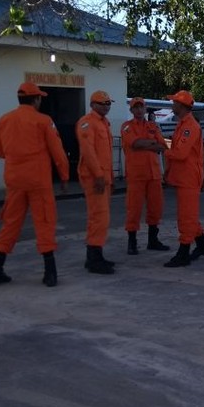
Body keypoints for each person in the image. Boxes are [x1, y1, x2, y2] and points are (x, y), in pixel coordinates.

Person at [0, 82, 70, 287]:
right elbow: (57, 152)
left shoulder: (4, 120)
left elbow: (0, 152)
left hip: (14, 179)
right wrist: (65, 176)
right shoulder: (43, 121)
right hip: (38, 180)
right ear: (36, 99)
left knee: (11, 223)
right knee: (44, 222)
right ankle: (50, 273)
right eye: (40, 98)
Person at [162, 90, 204, 267]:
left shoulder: (190, 126)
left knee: (186, 217)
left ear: (181, 106)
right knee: (189, 215)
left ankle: (183, 254)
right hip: (184, 177)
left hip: (189, 178)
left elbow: (180, 153)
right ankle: (203, 246)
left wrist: (162, 150)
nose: (172, 105)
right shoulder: (183, 124)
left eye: (174, 102)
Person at [121, 97, 170, 255]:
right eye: (135, 107)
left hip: (154, 174)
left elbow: (162, 146)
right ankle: (132, 242)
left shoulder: (153, 126)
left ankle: (153, 240)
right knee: (133, 209)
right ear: (131, 110)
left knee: (156, 208)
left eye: (141, 107)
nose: (139, 110)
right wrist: (151, 143)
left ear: (145, 108)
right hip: (136, 174)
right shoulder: (126, 126)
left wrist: (146, 143)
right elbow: (134, 144)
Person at [76, 90, 116, 274]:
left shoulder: (104, 123)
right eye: (103, 103)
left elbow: (106, 154)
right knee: (98, 217)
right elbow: (89, 152)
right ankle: (93, 259)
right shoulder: (87, 123)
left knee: (102, 217)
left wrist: (110, 178)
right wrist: (99, 176)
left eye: (108, 103)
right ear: (93, 105)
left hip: (103, 178)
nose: (106, 106)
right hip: (94, 178)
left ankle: (96, 255)